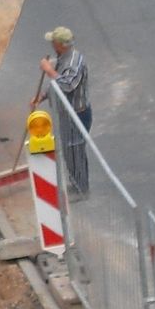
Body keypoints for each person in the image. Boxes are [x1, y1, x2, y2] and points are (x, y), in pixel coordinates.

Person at [39, 26, 93, 196]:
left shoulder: (73, 63)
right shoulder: (63, 57)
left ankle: (81, 189)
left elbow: (67, 85)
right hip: (67, 115)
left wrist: (48, 70)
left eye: (53, 42)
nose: (52, 45)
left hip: (76, 115)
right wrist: (43, 96)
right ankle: (76, 183)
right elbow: (57, 85)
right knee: (69, 152)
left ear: (61, 44)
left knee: (75, 151)